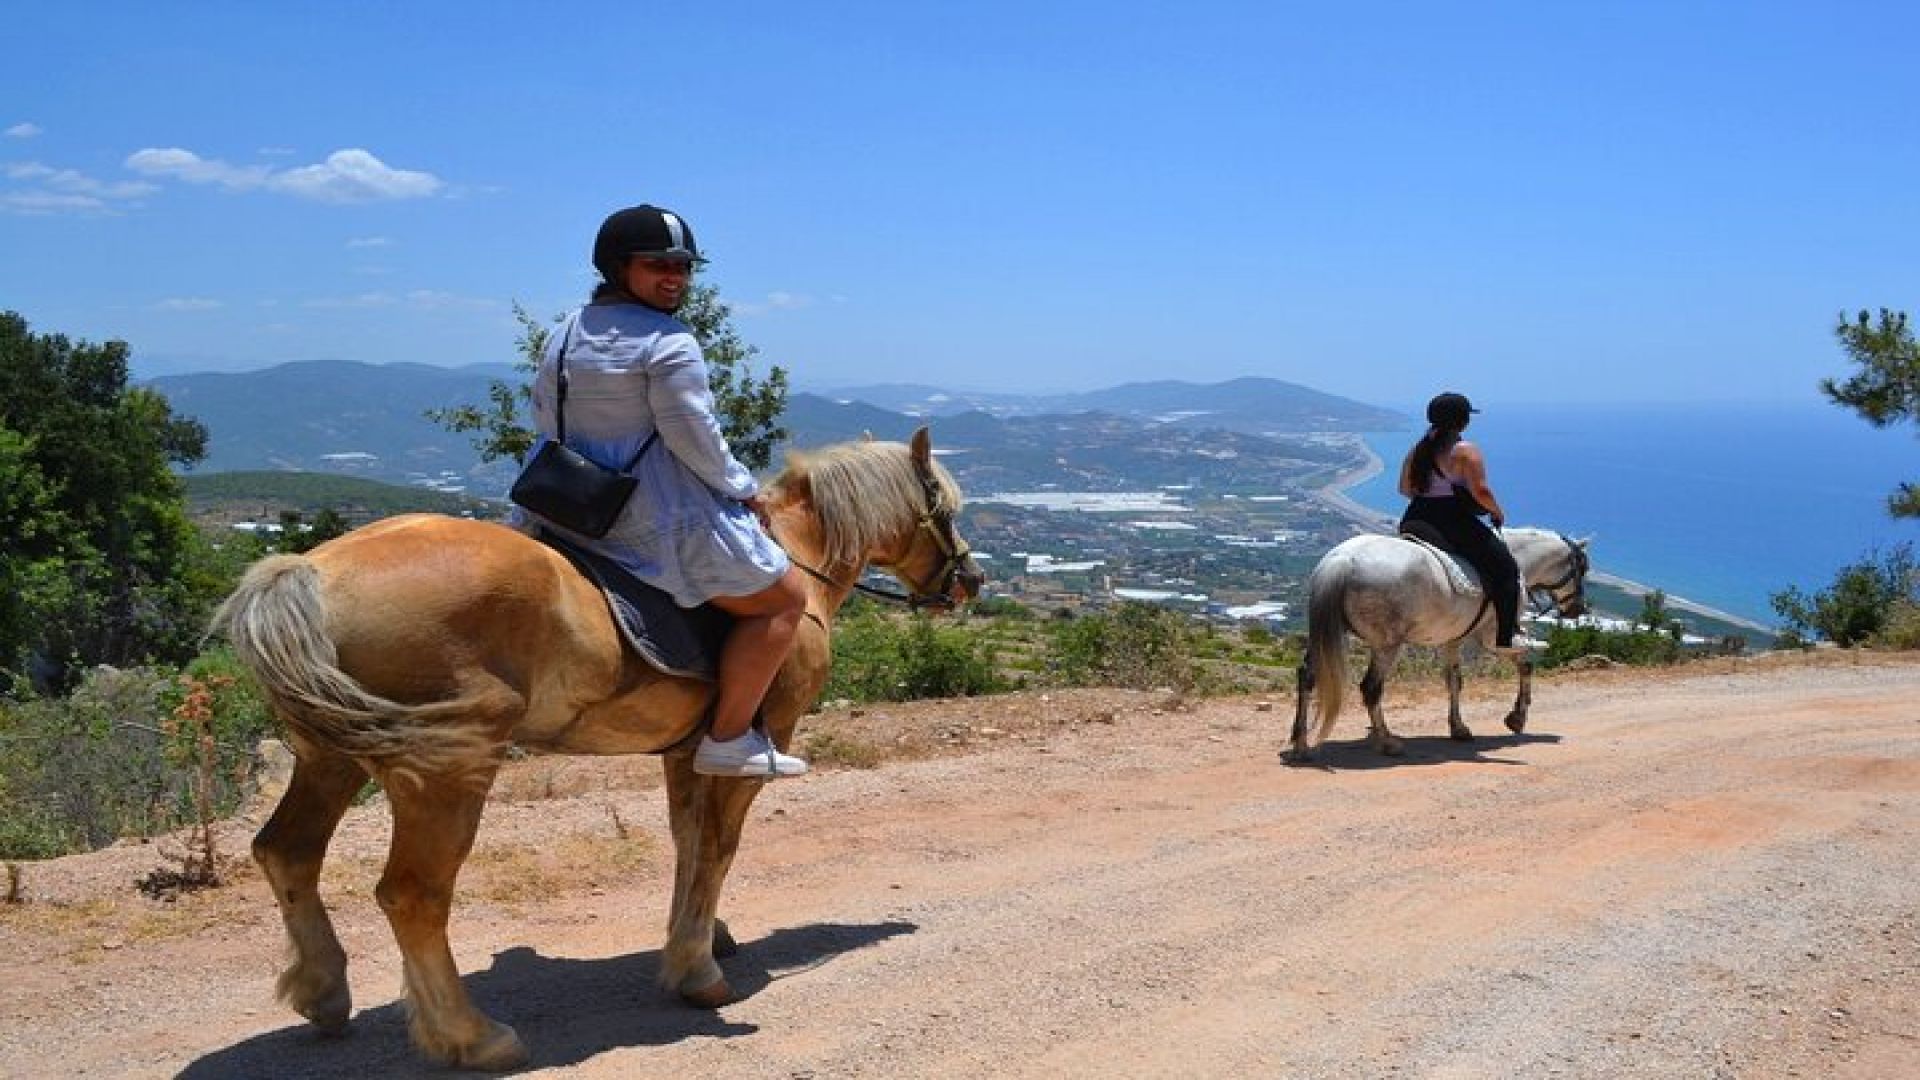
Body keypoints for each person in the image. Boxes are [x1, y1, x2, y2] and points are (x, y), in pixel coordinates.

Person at [521, 204, 809, 777]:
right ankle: (729, 739)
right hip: (648, 509)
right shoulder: (669, 340)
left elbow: (542, 413)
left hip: (561, 500)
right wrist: (745, 489)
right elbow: (692, 433)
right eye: (658, 265)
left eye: (683, 266)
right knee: (785, 600)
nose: (675, 276)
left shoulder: (566, 329)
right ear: (619, 266)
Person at [1396, 391, 1536, 655]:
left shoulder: (1419, 449)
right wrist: (1497, 512)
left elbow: (1404, 488)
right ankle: (1507, 636)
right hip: (1451, 520)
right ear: (1462, 421)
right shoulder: (1464, 450)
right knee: (1506, 570)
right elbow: (1481, 491)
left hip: (1415, 519)